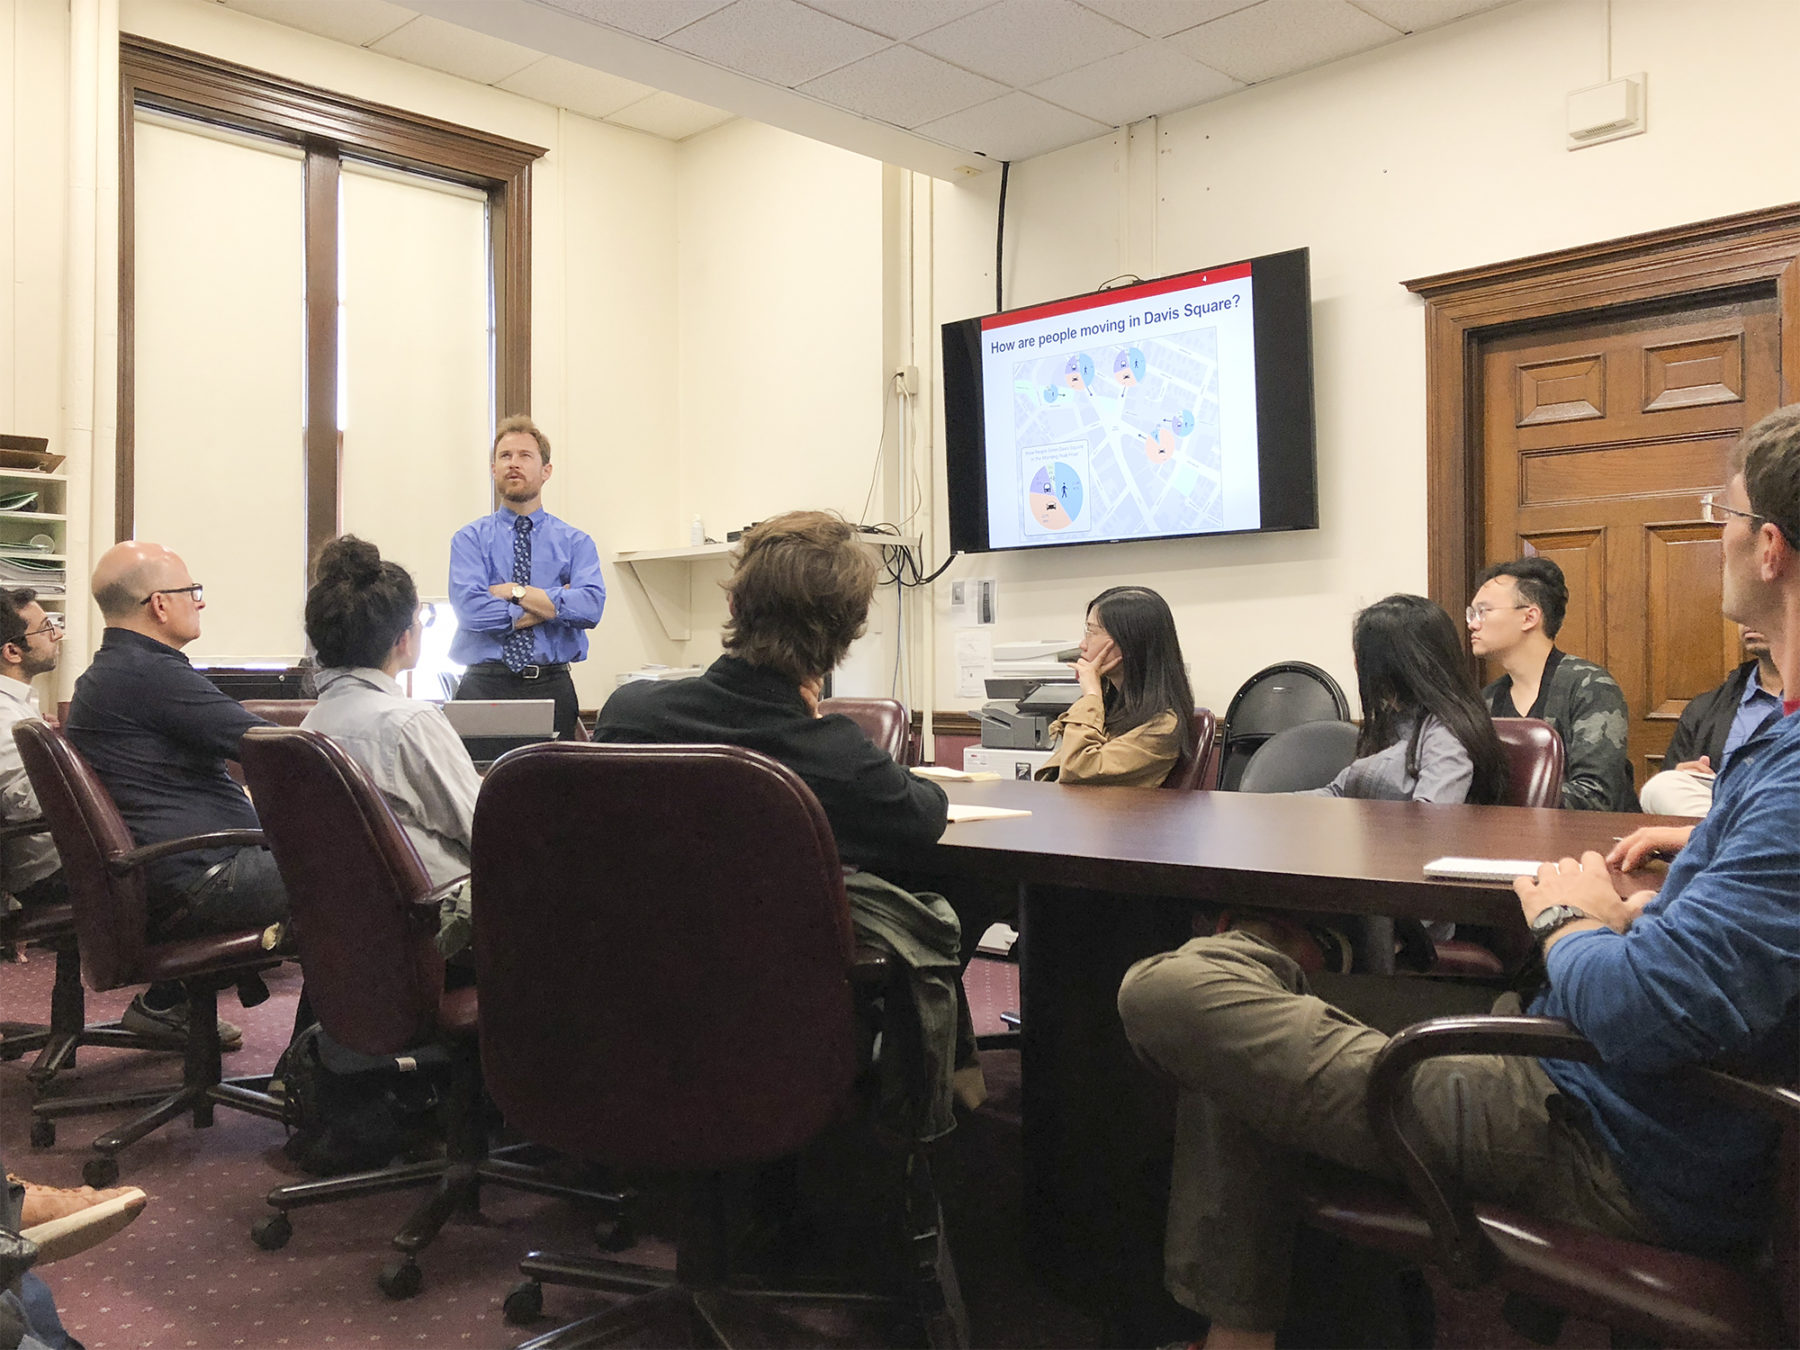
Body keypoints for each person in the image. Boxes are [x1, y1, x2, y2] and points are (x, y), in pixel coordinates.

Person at [1115, 404, 1800, 1350]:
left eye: (1718, 513)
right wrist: (1689, 869)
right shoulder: (1776, 738)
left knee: (1180, 989)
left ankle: (1238, 1323)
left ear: (1767, 545)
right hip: (1596, 1077)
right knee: (1245, 1013)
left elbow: (1639, 1011)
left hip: (1612, 1136)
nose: (1711, 531)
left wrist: (1570, 914)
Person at [593, 510, 962, 1141]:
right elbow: (924, 814)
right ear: (848, 634)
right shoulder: (835, 756)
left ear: (735, 602)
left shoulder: (630, 717)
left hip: (630, 1002)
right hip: (775, 1020)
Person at [64, 541, 285, 1048]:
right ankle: (339, 1062)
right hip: (201, 882)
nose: (200, 602)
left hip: (165, 877)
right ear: (161, 604)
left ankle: (165, 1002)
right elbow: (278, 748)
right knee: (367, 869)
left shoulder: (110, 673)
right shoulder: (151, 673)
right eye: (193, 592)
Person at [301, 536, 480, 955]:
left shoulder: (310, 726)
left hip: (358, 934)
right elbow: (490, 831)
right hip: (442, 932)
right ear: (403, 638)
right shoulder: (408, 724)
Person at [448, 416, 604, 744]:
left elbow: (590, 607)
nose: (513, 464)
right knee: (476, 789)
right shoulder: (469, 540)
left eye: (524, 456)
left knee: (553, 790)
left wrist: (514, 592)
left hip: (550, 685)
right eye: (505, 456)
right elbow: (472, 612)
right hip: (483, 686)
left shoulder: (576, 542)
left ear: (546, 471)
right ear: (493, 469)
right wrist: (552, 605)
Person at [1467, 555, 1637, 811]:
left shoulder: (1590, 686)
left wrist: (1508, 801)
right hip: (1509, 839)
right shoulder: (1487, 699)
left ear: (1529, 617)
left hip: (1590, 842)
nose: (1472, 624)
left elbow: (1596, 796)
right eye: (1471, 613)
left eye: (1483, 611)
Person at [1303, 593, 1508, 805]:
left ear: (1389, 666)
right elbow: (1337, 792)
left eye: (1362, 656)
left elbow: (1433, 821)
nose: (1356, 664)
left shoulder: (1445, 734)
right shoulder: (1396, 720)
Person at [1034, 585, 1193, 786]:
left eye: (1092, 631)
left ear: (1129, 642)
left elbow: (1078, 769)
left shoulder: (1162, 726)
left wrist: (1091, 694)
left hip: (1112, 817)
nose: (1083, 644)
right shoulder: (1111, 707)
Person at [1638, 627, 1783, 816]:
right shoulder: (1704, 709)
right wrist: (1684, 777)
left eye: (1766, 604)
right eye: (1742, 610)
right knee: (1660, 788)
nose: (1749, 619)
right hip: (1714, 821)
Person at [0, 590, 66, 908]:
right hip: (50, 871)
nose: (59, 634)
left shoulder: (18, 704)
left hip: (63, 857)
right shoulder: (3, 714)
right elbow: (22, 803)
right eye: (46, 628)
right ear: (13, 651)